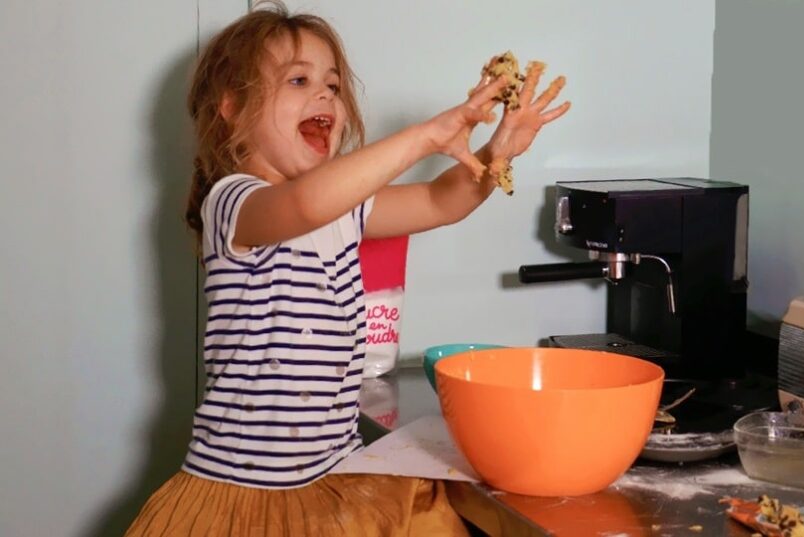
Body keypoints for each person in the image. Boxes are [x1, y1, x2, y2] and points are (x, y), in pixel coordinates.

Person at [125, 1, 569, 535]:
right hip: (242, 495)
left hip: (332, 476)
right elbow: (305, 206)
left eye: (332, 86)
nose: (323, 95)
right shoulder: (234, 202)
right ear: (232, 108)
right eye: (298, 80)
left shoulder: (344, 208)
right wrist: (427, 135)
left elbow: (438, 201)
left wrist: (500, 149)